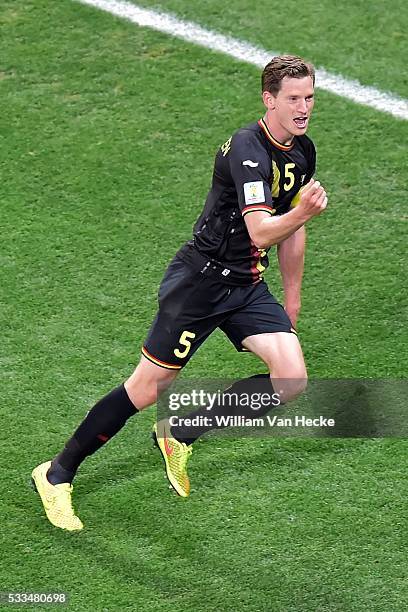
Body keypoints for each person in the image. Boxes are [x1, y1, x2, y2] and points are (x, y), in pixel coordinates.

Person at [32, 55, 327, 531]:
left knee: (290, 379)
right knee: (148, 388)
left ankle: (180, 431)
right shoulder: (247, 151)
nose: (303, 108)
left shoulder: (301, 151)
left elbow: (292, 231)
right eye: (293, 98)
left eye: (309, 97)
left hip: (247, 286)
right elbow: (262, 231)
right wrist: (304, 213)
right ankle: (56, 472)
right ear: (269, 99)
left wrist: (292, 298)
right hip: (201, 284)